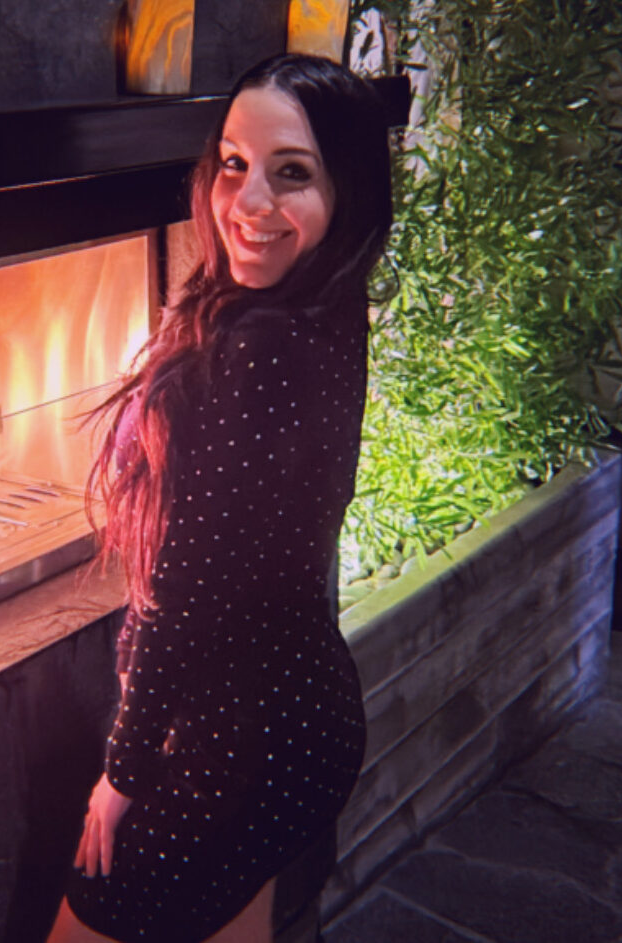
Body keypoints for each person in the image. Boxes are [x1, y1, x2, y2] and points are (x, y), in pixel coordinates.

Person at [46, 53, 392, 943]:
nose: (247, 202)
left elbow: (186, 585)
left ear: (347, 190)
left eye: (292, 172)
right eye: (233, 163)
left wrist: (122, 774)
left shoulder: (263, 346)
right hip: (302, 723)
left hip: (239, 745)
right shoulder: (325, 306)